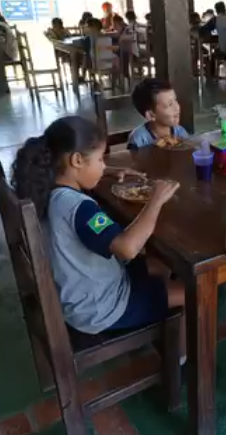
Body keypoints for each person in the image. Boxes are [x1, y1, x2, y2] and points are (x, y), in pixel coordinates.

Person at [11, 116, 185, 356]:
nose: (103, 166)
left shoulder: (47, 188)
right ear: (77, 160)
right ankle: (180, 360)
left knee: (161, 264)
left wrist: (110, 171)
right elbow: (127, 248)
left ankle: (158, 313)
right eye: (101, 160)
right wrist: (155, 200)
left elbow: (84, 177)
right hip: (102, 308)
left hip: (81, 293)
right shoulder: (81, 209)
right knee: (191, 292)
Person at [128, 78, 189, 150]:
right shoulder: (138, 140)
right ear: (151, 115)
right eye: (170, 104)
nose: (177, 107)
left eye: (176, 100)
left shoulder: (180, 132)